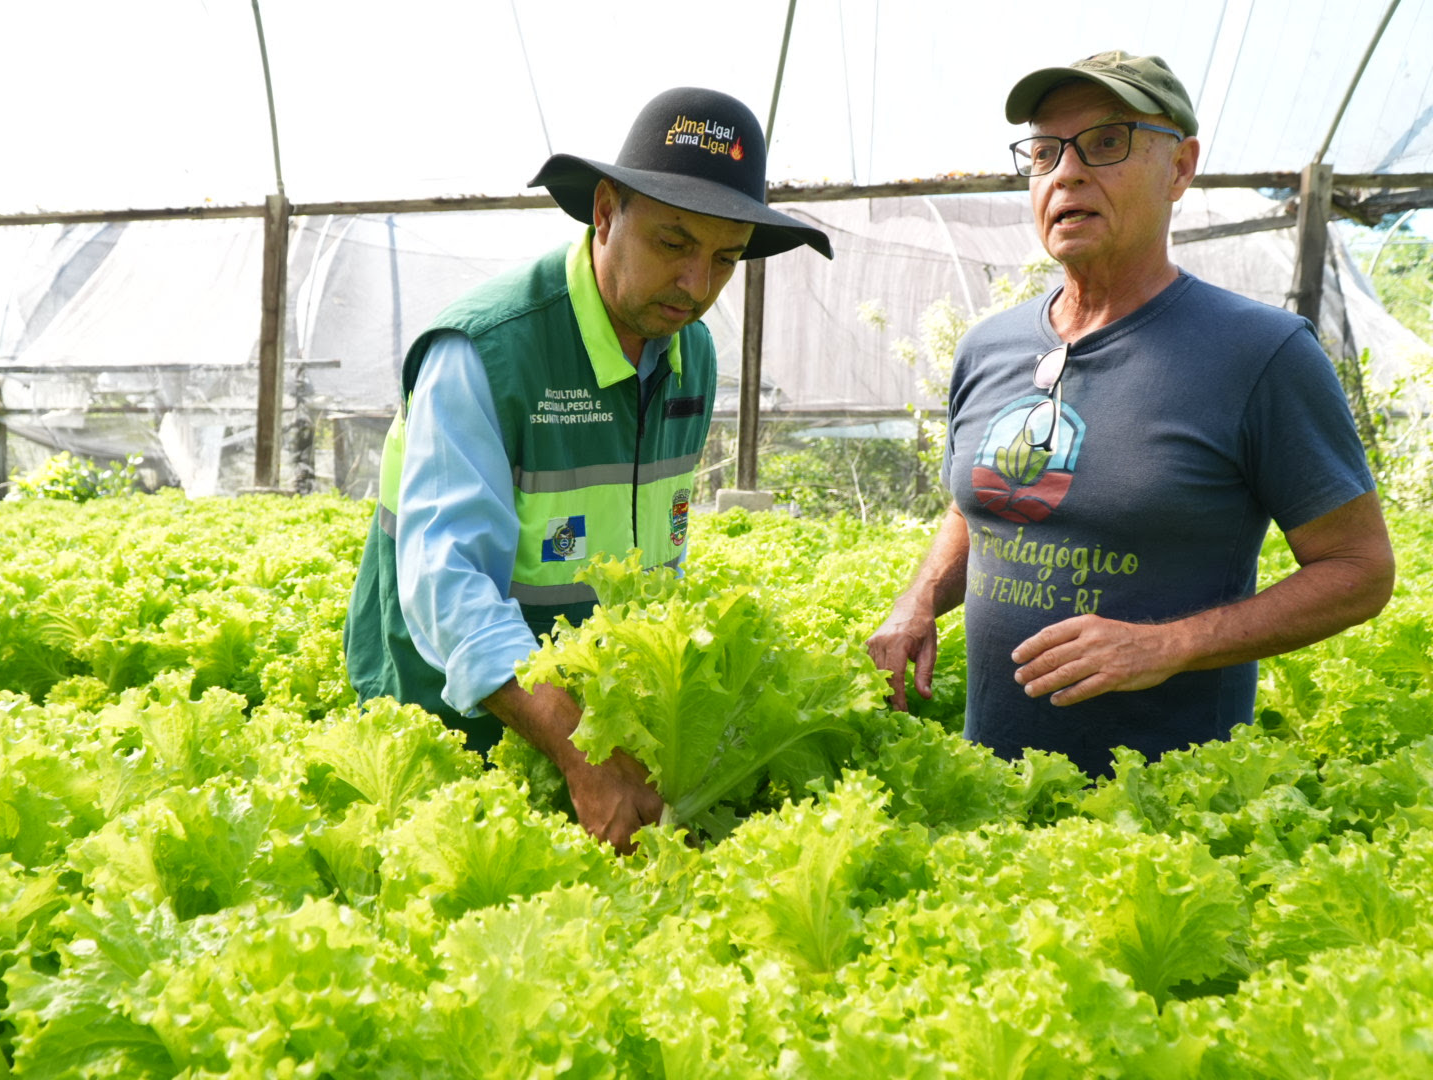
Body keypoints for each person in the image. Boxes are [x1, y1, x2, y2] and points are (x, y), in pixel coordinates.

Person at [866, 51, 1395, 779]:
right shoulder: (990, 347)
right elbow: (978, 505)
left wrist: (1165, 646)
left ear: (1180, 167)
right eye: (1045, 152)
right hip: (995, 786)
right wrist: (920, 598)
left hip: (1166, 805)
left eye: (1106, 142)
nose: (1066, 173)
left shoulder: (1261, 355)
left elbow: (1359, 569)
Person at [345, 87, 833, 851]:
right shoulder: (485, 353)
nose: (697, 285)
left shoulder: (692, 353)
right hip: (453, 731)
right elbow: (448, 582)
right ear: (605, 214)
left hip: (589, 736)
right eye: (673, 244)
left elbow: (651, 559)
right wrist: (581, 748)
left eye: (725, 258)